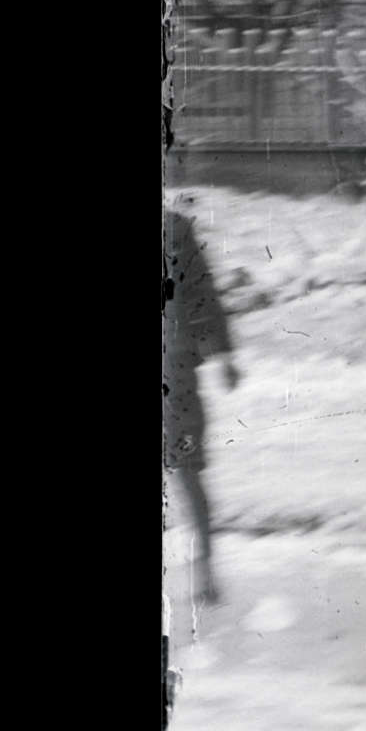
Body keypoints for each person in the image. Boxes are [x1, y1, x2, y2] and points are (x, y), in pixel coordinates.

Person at [164, 200, 239, 603]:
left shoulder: (176, 231)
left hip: (174, 373)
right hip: (175, 370)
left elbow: (202, 295)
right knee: (189, 473)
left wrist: (224, 355)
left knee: (188, 472)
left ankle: (206, 571)